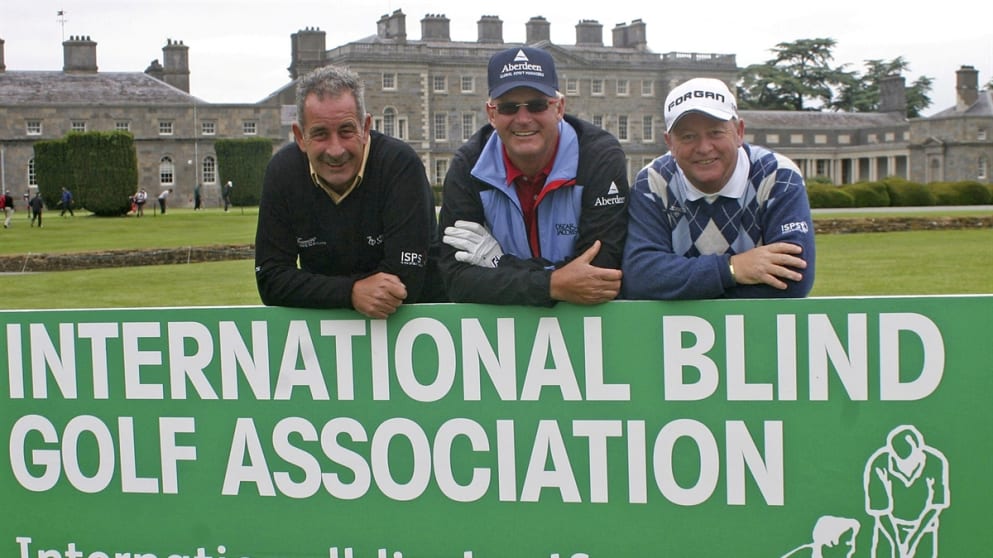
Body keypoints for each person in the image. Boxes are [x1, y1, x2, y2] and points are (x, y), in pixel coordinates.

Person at [437, 47, 629, 306]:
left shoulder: (598, 157)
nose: (523, 119)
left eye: (537, 105)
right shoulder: (468, 166)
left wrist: (498, 264)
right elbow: (455, 280)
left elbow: (600, 273)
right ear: (492, 114)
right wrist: (553, 284)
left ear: (559, 107)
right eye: (508, 107)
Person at [254, 64, 441, 318]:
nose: (336, 150)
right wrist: (351, 292)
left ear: (365, 128)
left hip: (416, 334)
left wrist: (318, 289)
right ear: (299, 136)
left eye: (346, 131)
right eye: (320, 134)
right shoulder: (283, 172)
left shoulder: (400, 165)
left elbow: (405, 280)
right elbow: (271, 280)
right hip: (326, 341)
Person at [622, 77, 815, 299]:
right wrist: (732, 269)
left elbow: (793, 278)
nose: (704, 147)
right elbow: (639, 278)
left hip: (759, 331)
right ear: (670, 143)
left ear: (739, 132)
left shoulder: (778, 175)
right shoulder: (652, 181)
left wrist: (679, 288)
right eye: (688, 136)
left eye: (715, 132)